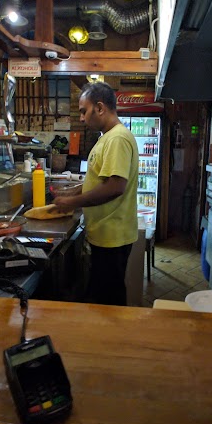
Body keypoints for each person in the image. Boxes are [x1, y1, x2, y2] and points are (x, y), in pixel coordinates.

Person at [54, 82, 139, 306]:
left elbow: (115, 186)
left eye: (84, 111)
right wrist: (72, 190)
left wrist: (72, 202)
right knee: (102, 296)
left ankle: (115, 329)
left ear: (100, 108)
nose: (82, 118)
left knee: (110, 301)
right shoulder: (107, 137)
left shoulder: (117, 139)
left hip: (112, 237)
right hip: (105, 234)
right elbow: (99, 180)